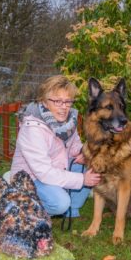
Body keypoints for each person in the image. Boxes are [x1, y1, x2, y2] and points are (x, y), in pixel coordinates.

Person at [10, 75, 101, 218]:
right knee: (59, 203)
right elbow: (44, 173)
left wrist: (84, 153)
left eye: (68, 101)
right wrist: (82, 179)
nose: (64, 107)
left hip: (56, 167)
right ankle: (25, 211)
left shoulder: (68, 122)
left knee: (91, 163)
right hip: (31, 178)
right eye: (57, 101)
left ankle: (71, 209)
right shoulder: (32, 129)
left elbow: (74, 145)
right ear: (44, 102)